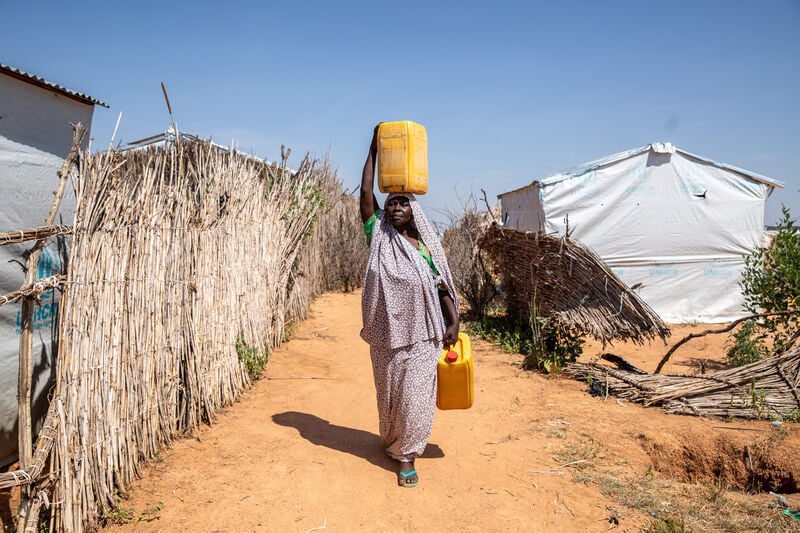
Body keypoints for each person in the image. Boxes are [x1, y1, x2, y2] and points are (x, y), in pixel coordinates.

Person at [359, 124, 459, 488]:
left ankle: (407, 456)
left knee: (416, 399)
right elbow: (367, 192)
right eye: (392, 203)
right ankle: (392, 441)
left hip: (423, 334)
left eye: (403, 202)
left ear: (414, 210)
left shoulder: (425, 247)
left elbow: (442, 286)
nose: (396, 207)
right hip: (387, 333)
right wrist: (374, 149)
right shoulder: (378, 234)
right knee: (390, 397)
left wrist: (453, 322)